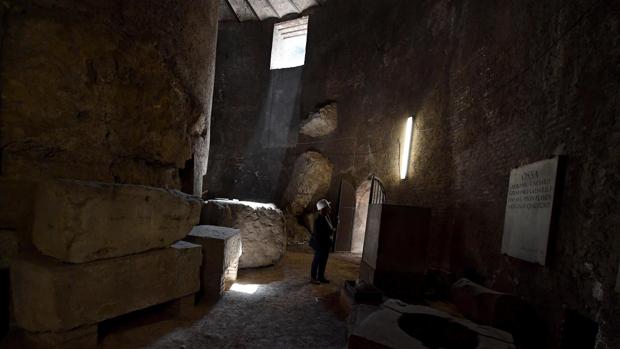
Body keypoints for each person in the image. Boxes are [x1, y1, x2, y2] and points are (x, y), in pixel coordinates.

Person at [310, 198, 336, 284]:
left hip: (325, 244)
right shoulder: (319, 220)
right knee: (317, 261)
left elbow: (328, 229)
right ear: (323, 209)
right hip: (321, 244)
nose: (330, 208)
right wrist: (331, 231)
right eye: (328, 206)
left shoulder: (326, 217)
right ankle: (313, 278)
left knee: (323, 261)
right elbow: (320, 234)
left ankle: (321, 277)